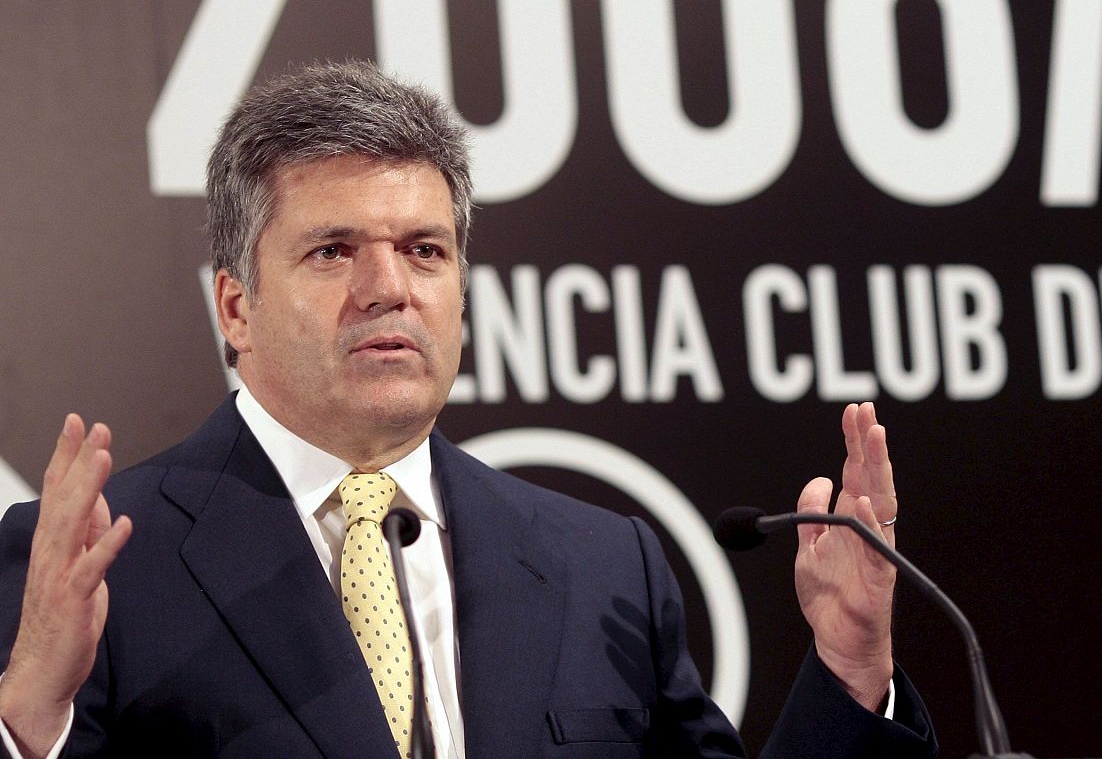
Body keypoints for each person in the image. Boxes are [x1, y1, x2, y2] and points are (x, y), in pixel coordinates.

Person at [0, 62, 934, 758]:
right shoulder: (98, 566)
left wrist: (852, 671)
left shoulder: (603, 567)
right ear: (235, 307)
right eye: (332, 251)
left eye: (424, 250)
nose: (387, 288)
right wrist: (26, 725)